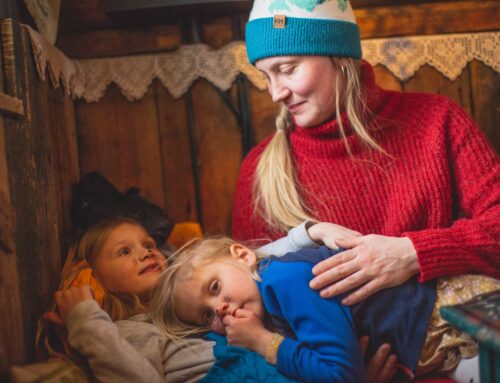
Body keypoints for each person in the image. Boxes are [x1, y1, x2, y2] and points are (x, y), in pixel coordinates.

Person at [233, 1, 500, 377]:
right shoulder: (261, 170)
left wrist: (412, 253)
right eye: (265, 76)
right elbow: (247, 308)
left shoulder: (438, 122)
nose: (276, 92)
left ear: (339, 56)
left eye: (287, 69)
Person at [39, 216, 355, 382]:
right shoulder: (131, 330)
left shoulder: (191, 295)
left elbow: (249, 263)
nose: (146, 252)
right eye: (124, 252)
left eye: (148, 244)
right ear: (94, 276)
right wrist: (88, 322)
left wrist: (310, 233)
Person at [150, 236, 499, 383]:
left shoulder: (284, 281)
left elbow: (340, 375)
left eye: (214, 288)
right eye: (206, 315)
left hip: (458, 318)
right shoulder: (266, 309)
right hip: (440, 349)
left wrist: (263, 342)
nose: (220, 309)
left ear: (242, 255)